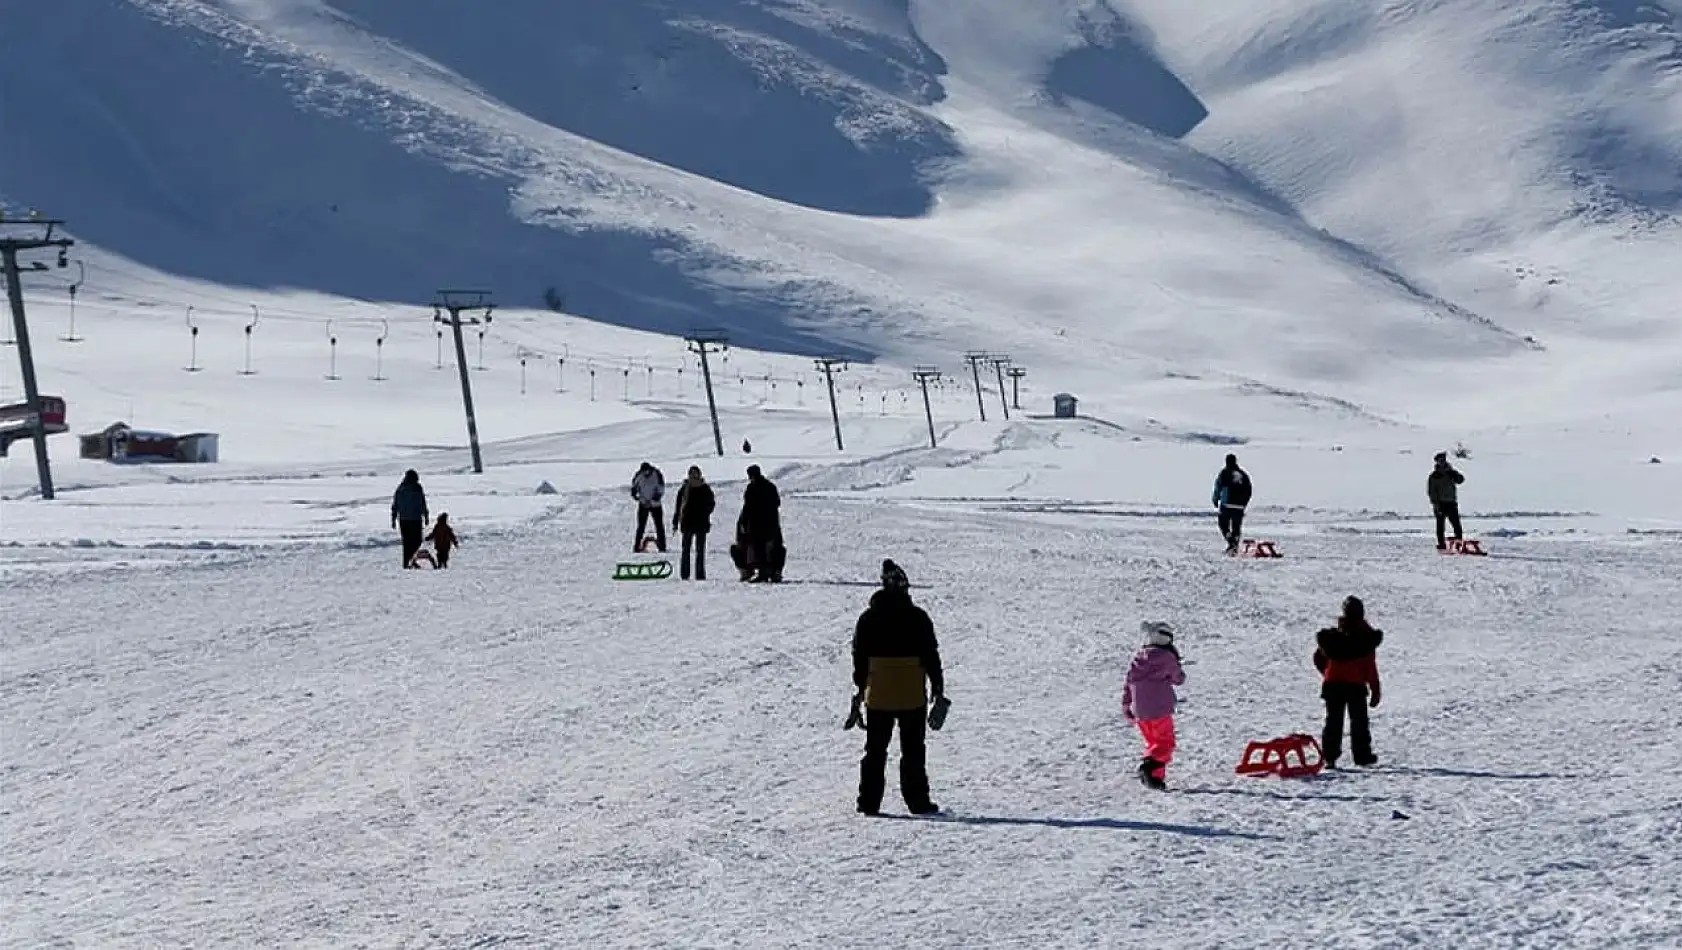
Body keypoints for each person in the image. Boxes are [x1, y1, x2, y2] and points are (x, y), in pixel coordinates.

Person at [850, 559, 944, 816]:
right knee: (913, 750)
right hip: (911, 693)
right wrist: (938, 686)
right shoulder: (918, 617)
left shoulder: (868, 619)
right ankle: (918, 801)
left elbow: (860, 658)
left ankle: (868, 802)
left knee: (875, 749)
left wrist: (860, 688)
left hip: (879, 693)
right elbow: (930, 655)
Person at [1312, 596, 1383, 768]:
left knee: (1333, 723)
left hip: (1333, 684)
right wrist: (1375, 689)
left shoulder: (1334, 638)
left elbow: (1318, 658)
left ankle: (1330, 757)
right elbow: (1369, 666)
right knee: (1359, 723)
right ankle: (1362, 756)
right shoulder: (1365, 639)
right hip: (1355, 685)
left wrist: (1328, 673)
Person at [1124, 621, 1185, 791]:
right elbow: (1178, 679)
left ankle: (1155, 779)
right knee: (1165, 743)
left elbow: (1129, 681)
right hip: (1159, 708)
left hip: (1140, 710)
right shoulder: (1166, 657)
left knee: (1153, 743)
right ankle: (1148, 767)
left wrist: (1127, 704)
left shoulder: (1139, 657)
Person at [735, 464, 784, 582]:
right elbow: (777, 502)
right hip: (770, 522)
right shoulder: (770, 486)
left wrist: (744, 521)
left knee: (760, 548)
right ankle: (769, 572)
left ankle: (764, 573)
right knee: (766, 548)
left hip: (758, 524)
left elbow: (748, 507)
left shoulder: (752, 488)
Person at [672, 467, 716, 581]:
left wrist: (705, 513)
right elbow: (679, 506)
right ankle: (685, 574)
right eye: (691, 475)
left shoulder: (705, 488)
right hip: (687, 523)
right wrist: (676, 521)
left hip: (701, 523)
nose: (693, 477)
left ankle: (700, 574)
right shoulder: (685, 489)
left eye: (695, 474)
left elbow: (711, 504)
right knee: (685, 550)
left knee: (700, 551)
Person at [1212, 453, 1253, 554]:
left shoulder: (1224, 473)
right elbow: (1249, 489)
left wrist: (1215, 499)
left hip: (1227, 504)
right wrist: (1244, 503)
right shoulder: (1243, 474)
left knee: (1223, 524)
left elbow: (1218, 486)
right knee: (1236, 527)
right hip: (1239, 506)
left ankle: (1231, 542)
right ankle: (1234, 546)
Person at [390, 469, 429, 568]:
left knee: (409, 542)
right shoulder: (415, 488)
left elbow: (395, 504)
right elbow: (422, 502)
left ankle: (409, 561)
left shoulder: (401, 488)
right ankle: (409, 562)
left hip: (405, 519)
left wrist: (394, 518)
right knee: (414, 541)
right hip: (413, 519)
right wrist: (425, 514)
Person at [1427, 452, 1466, 550]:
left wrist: (1453, 473)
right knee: (1440, 526)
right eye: (1440, 461)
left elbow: (1460, 480)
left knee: (1457, 525)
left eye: (1443, 460)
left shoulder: (1451, 472)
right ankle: (1441, 544)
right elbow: (1431, 492)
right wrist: (1435, 504)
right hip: (1440, 504)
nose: (1442, 462)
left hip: (1451, 502)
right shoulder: (1434, 476)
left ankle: (1459, 544)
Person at [630, 461, 667, 553]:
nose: (646, 473)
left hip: (655, 505)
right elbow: (634, 487)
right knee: (641, 526)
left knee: (659, 526)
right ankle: (637, 546)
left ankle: (662, 546)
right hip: (643, 504)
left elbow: (661, 489)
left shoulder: (657, 474)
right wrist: (636, 496)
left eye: (647, 471)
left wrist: (653, 500)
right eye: (644, 472)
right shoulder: (638, 475)